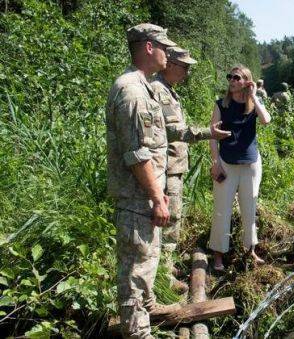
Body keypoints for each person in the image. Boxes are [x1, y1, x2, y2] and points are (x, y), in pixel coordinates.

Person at [105, 23, 179, 338]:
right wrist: (158, 198)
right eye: (164, 45)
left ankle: (148, 308)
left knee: (148, 260)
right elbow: (137, 154)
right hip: (138, 199)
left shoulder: (143, 86)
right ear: (149, 47)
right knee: (136, 270)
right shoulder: (132, 91)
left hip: (144, 197)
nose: (169, 52)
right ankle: (137, 332)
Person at [150, 47, 231, 294]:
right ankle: (163, 275)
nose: (187, 72)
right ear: (170, 64)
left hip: (173, 167)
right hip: (166, 167)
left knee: (172, 217)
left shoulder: (168, 91)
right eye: (184, 67)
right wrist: (209, 133)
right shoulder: (159, 91)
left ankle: (165, 265)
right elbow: (173, 131)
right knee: (169, 219)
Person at [208, 65, 271, 272]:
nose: (232, 80)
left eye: (237, 77)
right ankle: (218, 255)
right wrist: (216, 163)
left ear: (246, 81)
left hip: (251, 164)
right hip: (226, 163)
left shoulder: (252, 105)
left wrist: (254, 96)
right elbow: (213, 137)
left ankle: (250, 250)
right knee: (221, 209)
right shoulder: (221, 105)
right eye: (230, 77)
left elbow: (266, 121)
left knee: (249, 208)